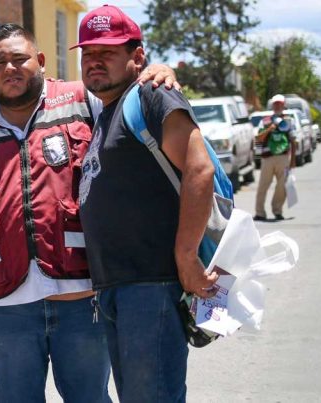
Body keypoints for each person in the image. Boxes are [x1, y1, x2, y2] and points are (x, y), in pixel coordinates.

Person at [0, 23, 178, 402]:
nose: (10, 68)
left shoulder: (84, 101)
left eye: (20, 59)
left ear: (42, 62)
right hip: (6, 303)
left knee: (90, 397)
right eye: (0, 62)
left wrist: (157, 72)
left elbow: (134, 101)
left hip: (81, 294)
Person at [73, 5, 220, 401]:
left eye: (107, 52)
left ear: (137, 57)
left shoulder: (152, 96)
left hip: (151, 286)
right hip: (115, 288)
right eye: (88, 54)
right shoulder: (105, 113)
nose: (95, 62)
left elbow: (199, 169)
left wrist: (186, 256)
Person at [254, 94, 296, 221]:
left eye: (280, 104)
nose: (278, 106)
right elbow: (258, 138)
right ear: (272, 105)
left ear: (284, 105)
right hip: (267, 158)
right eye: (275, 104)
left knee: (282, 186)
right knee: (263, 186)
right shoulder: (265, 121)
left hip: (283, 158)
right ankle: (260, 212)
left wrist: (293, 160)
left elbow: (293, 141)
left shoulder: (288, 121)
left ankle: (277, 210)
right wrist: (269, 129)